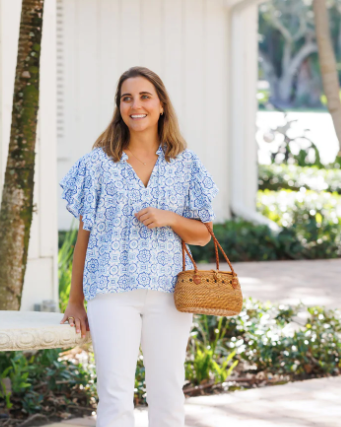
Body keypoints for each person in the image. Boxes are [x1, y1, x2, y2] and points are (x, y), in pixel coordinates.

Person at [59, 66, 219, 427]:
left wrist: (171, 218)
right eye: (126, 98)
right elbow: (84, 236)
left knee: (167, 392)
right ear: (119, 107)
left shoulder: (187, 164)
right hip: (111, 291)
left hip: (170, 293)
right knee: (114, 395)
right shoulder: (96, 164)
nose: (136, 105)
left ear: (161, 104)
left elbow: (203, 234)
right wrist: (74, 300)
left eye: (145, 96)